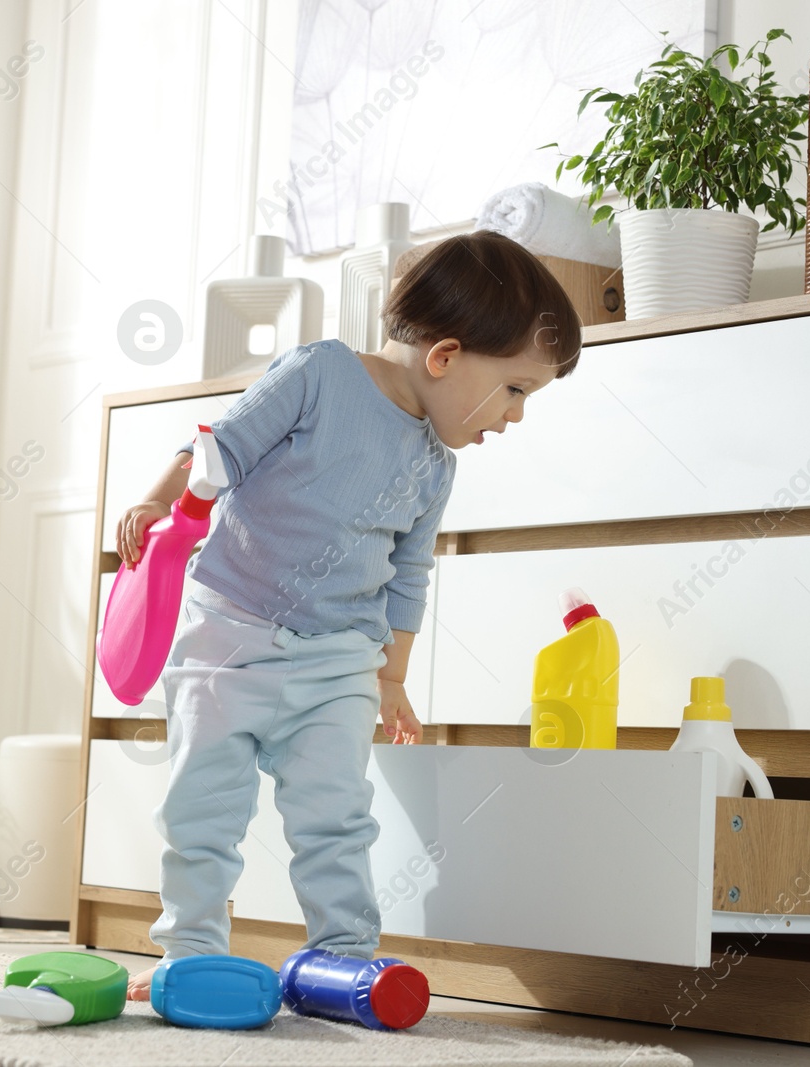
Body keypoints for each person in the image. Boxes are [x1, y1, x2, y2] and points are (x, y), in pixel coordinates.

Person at [113, 230, 583, 1000]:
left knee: (336, 818)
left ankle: (346, 958)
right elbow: (219, 448)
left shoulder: (437, 464)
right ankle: (188, 951)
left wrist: (391, 674)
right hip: (228, 632)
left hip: (337, 662)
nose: (518, 415)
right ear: (445, 355)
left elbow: (407, 574)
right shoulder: (320, 373)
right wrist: (157, 504)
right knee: (203, 807)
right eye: (516, 389)